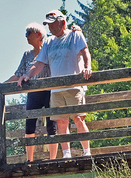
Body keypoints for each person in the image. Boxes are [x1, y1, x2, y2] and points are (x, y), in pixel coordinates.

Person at [17, 10, 93, 159]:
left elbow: (85, 51)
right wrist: (27, 75)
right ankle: (66, 154)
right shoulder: (49, 42)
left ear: (62, 23)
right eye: (48, 25)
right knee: (62, 122)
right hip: (56, 90)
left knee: (78, 119)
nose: (50, 28)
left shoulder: (74, 35)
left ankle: (87, 152)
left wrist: (87, 66)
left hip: (74, 86)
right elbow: (39, 63)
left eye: (52, 24)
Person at [0, 23, 58, 162]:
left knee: (52, 126)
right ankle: (30, 160)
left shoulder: (50, 49)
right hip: (33, 92)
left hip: (50, 91)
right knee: (29, 126)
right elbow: (18, 74)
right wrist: (1, 85)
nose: (26, 36)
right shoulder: (27, 54)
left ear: (38, 34)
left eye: (29, 33)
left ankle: (53, 159)